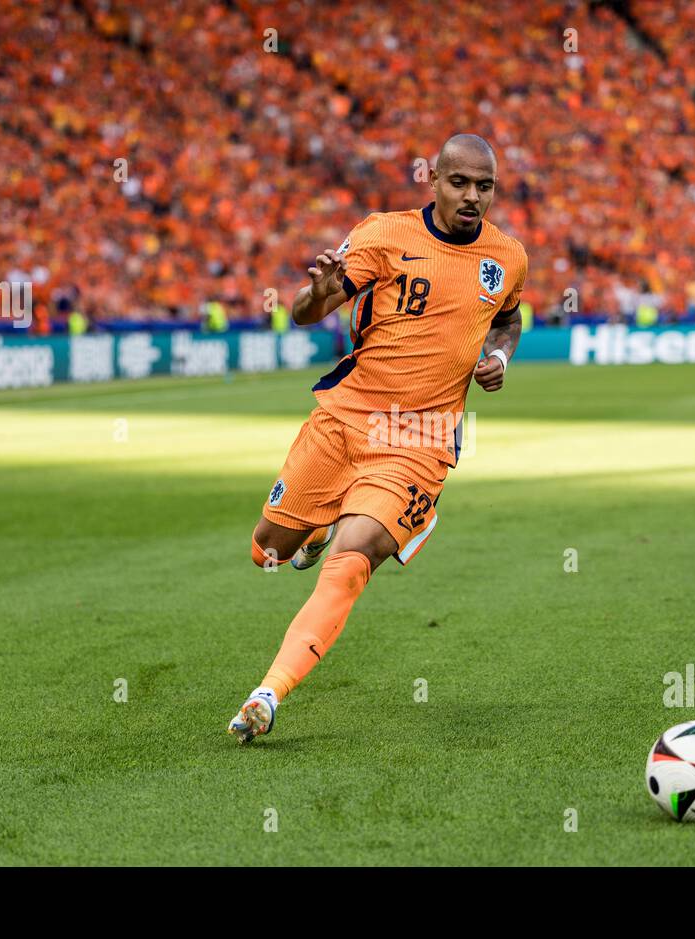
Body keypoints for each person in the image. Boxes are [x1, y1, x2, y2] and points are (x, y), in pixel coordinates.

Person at [226, 134, 528, 743]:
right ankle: (310, 531)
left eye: (485, 186)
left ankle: (268, 693)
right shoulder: (383, 235)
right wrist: (318, 290)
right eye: (460, 183)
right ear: (434, 181)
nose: (473, 197)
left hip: (420, 439)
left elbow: (509, 317)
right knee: (268, 553)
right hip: (345, 419)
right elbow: (306, 313)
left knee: (350, 561)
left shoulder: (508, 257)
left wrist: (499, 355)